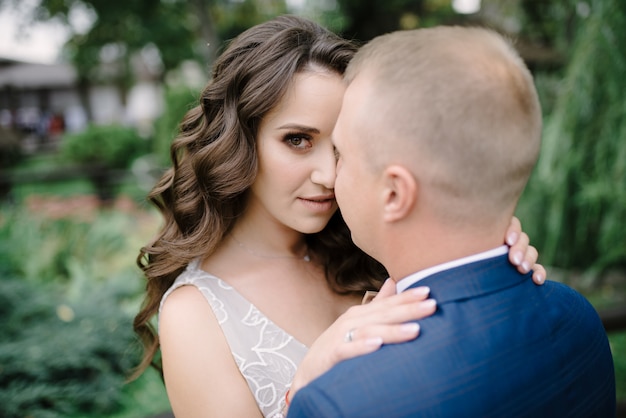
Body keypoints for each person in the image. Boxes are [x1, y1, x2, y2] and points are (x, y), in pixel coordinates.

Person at [132, 17, 547, 418]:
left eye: (341, 146)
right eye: (298, 140)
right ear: (240, 140)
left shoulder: (371, 243)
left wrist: (489, 245)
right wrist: (308, 382)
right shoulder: (196, 314)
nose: (329, 176)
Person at [287, 26, 616, 417]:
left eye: (340, 152)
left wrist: (303, 389)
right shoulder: (578, 317)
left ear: (394, 194)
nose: (329, 174)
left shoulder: (337, 401)